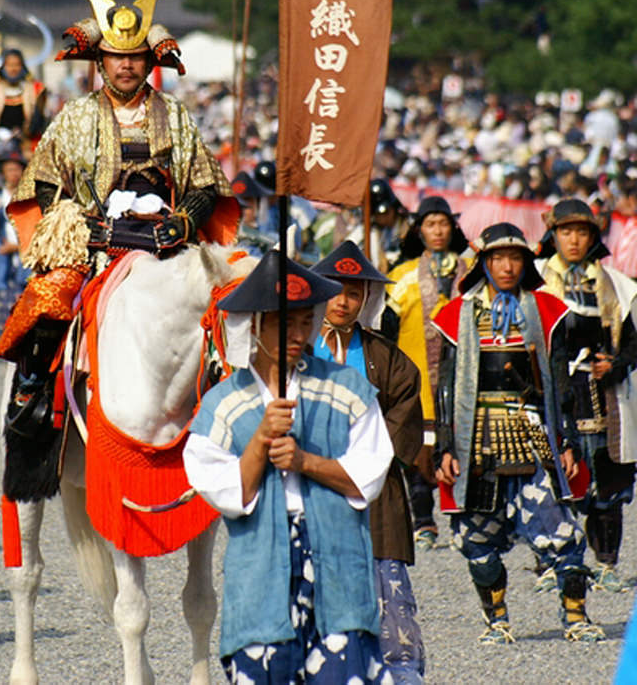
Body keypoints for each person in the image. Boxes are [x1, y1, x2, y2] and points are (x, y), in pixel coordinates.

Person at [0, 0, 238, 443]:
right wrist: (72, 220)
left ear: (149, 62)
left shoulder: (176, 115)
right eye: (115, 57)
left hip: (167, 244)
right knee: (50, 298)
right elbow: (44, 182)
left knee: (224, 306)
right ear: (100, 61)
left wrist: (183, 220)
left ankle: (228, 405)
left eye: (135, 57)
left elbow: (207, 185)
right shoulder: (75, 115)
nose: (126, 66)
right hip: (95, 244)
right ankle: (35, 397)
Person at [183, 250, 394, 684]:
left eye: (305, 321)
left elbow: (369, 475)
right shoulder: (223, 405)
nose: (299, 334)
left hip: (338, 562)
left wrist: (305, 461)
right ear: (255, 326)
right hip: (260, 572)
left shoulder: (348, 388)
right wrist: (259, 439)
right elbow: (229, 495)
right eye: (285, 323)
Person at [432, 222, 605, 643]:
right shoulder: (457, 315)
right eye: (497, 258)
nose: (507, 267)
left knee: (559, 526)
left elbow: (562, 384)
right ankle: (497, 621)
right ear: (484, 263)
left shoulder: (545, 310)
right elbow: (446, 385)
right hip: (477, 437)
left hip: (533, 431)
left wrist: (565, 441)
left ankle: (576, 617)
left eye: (515, 258)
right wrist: (444, 446)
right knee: (476, 533)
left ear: (526, 263)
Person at [312, 241, 426, 684]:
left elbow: (403, 415)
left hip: (374, 496)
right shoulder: (293, 350)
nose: (343, 301)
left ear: (367, 300)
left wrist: (363, 465)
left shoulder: (385, 358)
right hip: (309, 491)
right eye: (335, 290)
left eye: (354, 293)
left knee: (388, 600)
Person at [535, 199, 637, 593]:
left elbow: (633, 342)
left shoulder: (618, 286)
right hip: (553, 393)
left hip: (604, 395)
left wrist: (615, 363)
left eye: (582, 232)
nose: (573, 240)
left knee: (607, 478)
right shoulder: (537, 283)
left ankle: (606, 562)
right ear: (553, 235)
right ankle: (551, 560)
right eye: (565, 232)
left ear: (593, 237)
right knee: (553, 476)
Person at [382, 195, 470, 550]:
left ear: (453, 228)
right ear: (419, 230)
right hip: (415, 381)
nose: (437, 231)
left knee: (463, 450)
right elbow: (386, 330)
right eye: (430, 224)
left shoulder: (473, 271)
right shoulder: (401, 276)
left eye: (443, 223)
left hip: (463, 381)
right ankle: (422, 520)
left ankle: (461, 518)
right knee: (416, 454)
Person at [0, 139, 30, 335]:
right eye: (9, 170)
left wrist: (16, 247)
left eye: (17, 169)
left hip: (26, 267)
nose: (14, 174)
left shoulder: (31, 200)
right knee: (4, 320)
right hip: (2, 268)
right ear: (2, 173)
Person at [0, 49, 48, 146]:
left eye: (17, 65)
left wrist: (26, 131)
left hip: (27, 143)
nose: (13, 69)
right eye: (9, 65)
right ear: (3, 67)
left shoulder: (36, 89)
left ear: (22, 67)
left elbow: (39, 121)